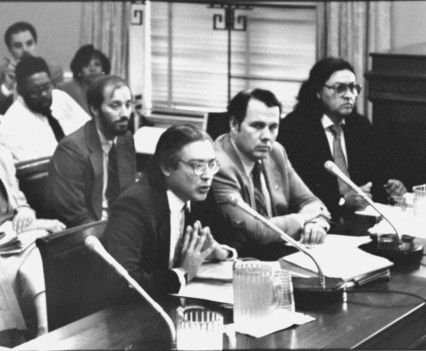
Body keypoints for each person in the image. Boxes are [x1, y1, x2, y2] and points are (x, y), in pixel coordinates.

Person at [104, 124, 236, 299]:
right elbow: (125, 281)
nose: (207, 175)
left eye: (212, 165)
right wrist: (182, 273)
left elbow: (235, 237)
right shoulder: (134, 205)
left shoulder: (199, 193)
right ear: (166, 167)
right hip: (125, 313)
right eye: (197, 165)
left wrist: (220, 252)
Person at [277, 57, 407, 233]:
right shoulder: (294, 129)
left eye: (353, 87)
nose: (349, 95)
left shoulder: (359, 125)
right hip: (317, 224)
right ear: (318, 92)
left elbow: (374, 176)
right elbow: (298, 192)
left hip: (359, 221)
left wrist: (391, 186)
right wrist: (342, 200)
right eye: (340, 88)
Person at [211, 88, 331, 259]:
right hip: (238, 262)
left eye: (273, 127)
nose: (267, 136)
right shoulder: (218, 164)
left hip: (278, 256)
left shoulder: (275, 152)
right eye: (257, 126)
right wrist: (303, 219)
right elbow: (256, 231)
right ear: (234, 125)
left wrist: (316, 223)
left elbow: (311, 201)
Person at [45, 75, 137, 228]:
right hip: (86, 232)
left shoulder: (125, 139)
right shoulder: (71, 150)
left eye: (128, 105)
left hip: (118, 226)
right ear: (94, 109)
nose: (125, 114)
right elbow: (75, 217)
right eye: (115, 106)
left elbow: (128, 193)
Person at [0, 144, 65, 342]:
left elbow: (18, 200)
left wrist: (24, 211)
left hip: (10, 231)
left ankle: (45, 329)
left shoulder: (2, 152)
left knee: (41, 251)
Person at [0, 55, 90, 162]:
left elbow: (89, 130)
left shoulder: (59, 97)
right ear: (20, 91)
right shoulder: (13, 123)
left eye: (47, 87)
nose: (43, 94)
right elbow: (36, 170)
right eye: (35, 90)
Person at [0, 21, 63, 115]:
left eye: (29, 43)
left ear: (35, 44)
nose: (25, 50)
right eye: (18, 46)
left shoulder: (53, 71)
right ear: (10, 50)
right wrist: (7, 84)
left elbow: (59, 107)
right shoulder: (2, 72)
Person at [57, 44, 111, 115]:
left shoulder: (111, 90)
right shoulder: (66, 89)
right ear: (79, 69)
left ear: (103, 69)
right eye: (86, 65)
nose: (92, 69)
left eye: (97, 64)